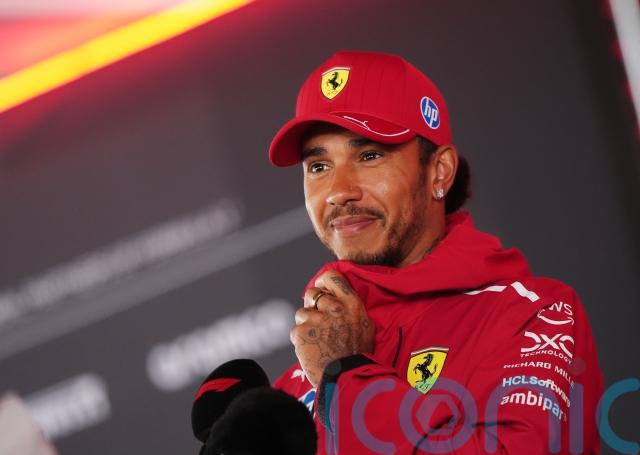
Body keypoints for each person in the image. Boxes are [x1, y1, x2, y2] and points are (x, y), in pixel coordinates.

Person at [268, 51, 603, 454]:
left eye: (370, 156)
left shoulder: (534, 315)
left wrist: (350, 379)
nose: (339, 191)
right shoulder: (300, 380)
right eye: (318, 167)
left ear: (439, 171)